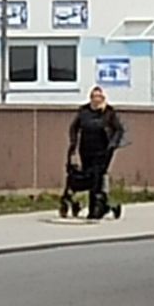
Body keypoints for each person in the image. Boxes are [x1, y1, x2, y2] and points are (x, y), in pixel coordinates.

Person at [62, 87, 126, 220]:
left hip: (103, 152)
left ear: (103, 98)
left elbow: (119, 130)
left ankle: (95, 209)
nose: (96, 100)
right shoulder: (84, 111)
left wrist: (113, 144)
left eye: (99, 97)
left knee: (97, 178)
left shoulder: (109, 112)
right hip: (86, 150)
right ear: (91, 98)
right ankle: (103, 205)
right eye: (94, 97)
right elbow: (74, 127)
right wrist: (73, 143)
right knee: (89, 178)